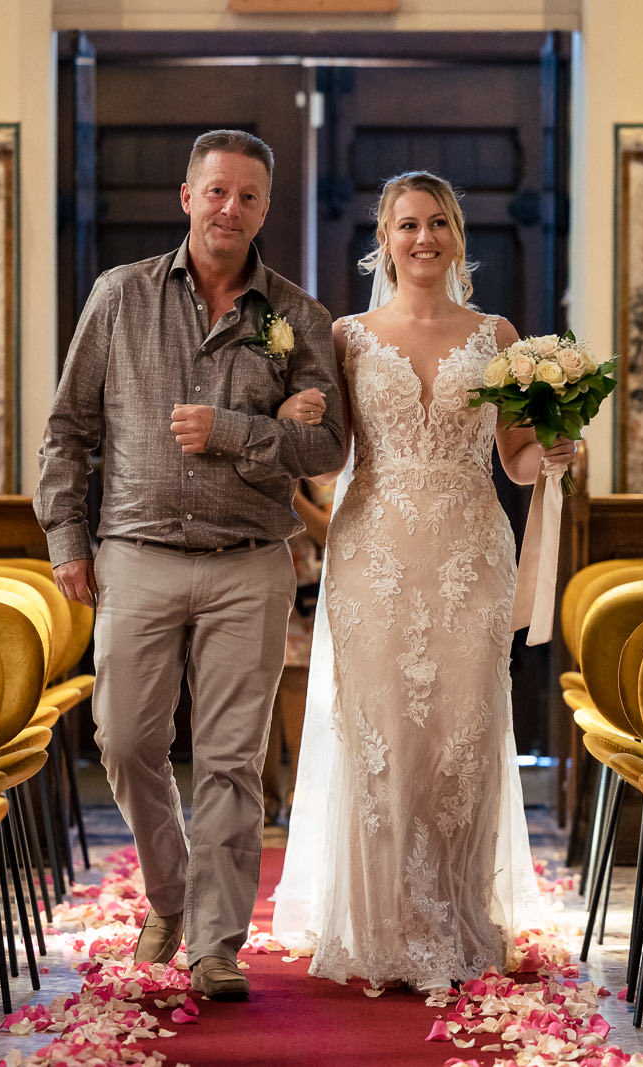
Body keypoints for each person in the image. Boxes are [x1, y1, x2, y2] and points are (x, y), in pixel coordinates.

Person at [35, 129, 346, 1002]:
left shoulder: (298, 318)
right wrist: (68, 539)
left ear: (266, 209)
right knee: (126, 740)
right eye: (215, 192)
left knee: (231, 761)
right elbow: (68, 433)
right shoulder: (119, 297)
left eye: (247, 197)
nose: (229, 209)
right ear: (186, 196)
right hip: (135, 553)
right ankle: (170, 895)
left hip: (251, 562)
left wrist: (241, 430)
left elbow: (327, 442)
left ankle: (217, 943)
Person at [271, 172, 574, 992]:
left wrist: (548, 451)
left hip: (471, 552)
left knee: (461, 737)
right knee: (384, 743)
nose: (424, 238)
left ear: (459, 236)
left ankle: (460, 918)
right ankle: (380, 927)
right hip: (372, 554)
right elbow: (334, 456)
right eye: (408, 224)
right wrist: (296, 416)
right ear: (383, 238)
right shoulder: (348, 337)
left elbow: (511, 456)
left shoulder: (497, 333)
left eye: (438, 222)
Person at [261, 478, 332, 826]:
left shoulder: (319, 476)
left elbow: (331, 532)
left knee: (302, 721)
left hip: (304, 609)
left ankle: (304, 807)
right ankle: (262, 805)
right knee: (254, 720)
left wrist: (290, 493)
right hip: (253, 600)